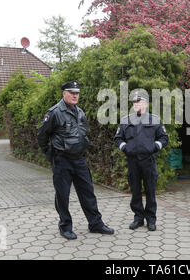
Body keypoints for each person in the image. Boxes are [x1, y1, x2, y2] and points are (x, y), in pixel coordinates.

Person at [37, 80, 114, 240]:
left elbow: (83, 133)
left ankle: (95, 224)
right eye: (71, 92)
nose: (74, 95)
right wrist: (50, 153)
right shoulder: (54, 112)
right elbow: (42, 135)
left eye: (77, 93)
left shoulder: (80, 112)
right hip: (62, 160)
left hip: (79, 160)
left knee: (88, 193)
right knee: (63, 195)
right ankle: (65, 226)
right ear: (64, 93)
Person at [114, 93, 168, 231]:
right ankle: (138, 218)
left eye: (139, 102)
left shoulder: (155, 120)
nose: (136, 105)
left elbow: (164, 138)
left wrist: (155, 146)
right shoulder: (126, 120)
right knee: (135, 191)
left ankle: (151, 219)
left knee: (150, 190)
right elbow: (118, 138)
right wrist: (124, 147)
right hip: (132, 161)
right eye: (134, 102)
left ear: (146, 103)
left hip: (148, 161)